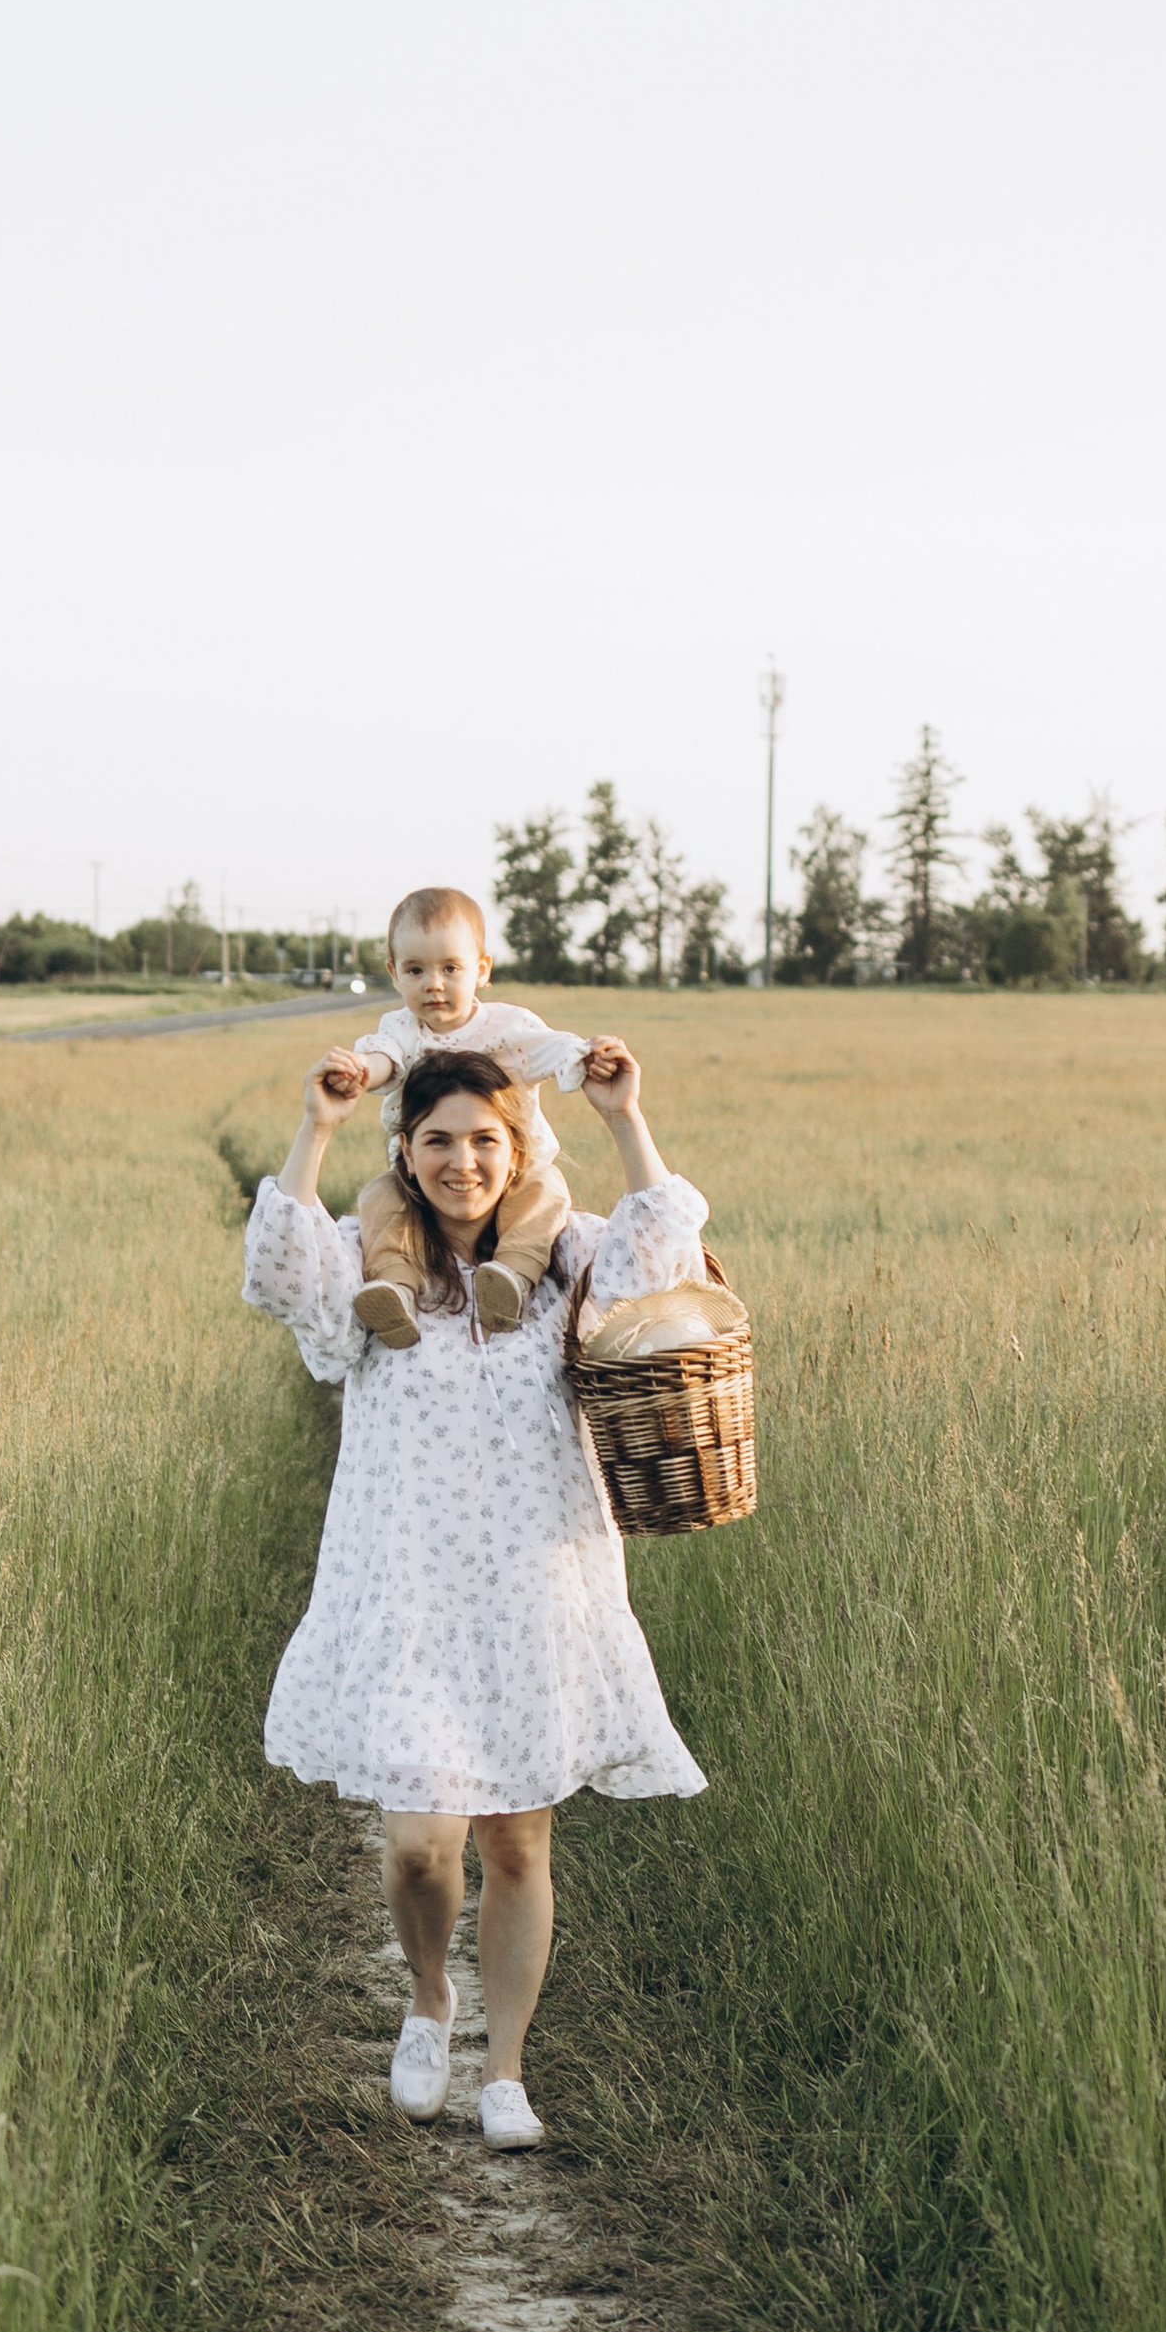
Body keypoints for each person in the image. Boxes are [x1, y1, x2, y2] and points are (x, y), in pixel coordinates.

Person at [241, 1031, 709, 2148]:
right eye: (439, 1142)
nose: (462, 1162)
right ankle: (426, 2001)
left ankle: (504, 2069)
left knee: (517, 1845)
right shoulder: (367, 1266)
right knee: (420, 1843)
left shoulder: (569, 1260)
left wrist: (621, 1117)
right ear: (407, 1154)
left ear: (517, 1149)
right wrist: (316, 1125)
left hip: (531, 1593)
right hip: (404, 1588)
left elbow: (671, 1257)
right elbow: (276, 1274)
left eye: (485, 1141)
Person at [318, 883, 594, 1347]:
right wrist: (360, 1073)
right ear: (394, 974)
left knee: (546, 1192)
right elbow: (386, 1059)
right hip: (420, 1177)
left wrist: (587, 1056)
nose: (434, 984)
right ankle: (396, 1290)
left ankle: (511, 1277)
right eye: (415, 970)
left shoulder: (509, 1026)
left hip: (512, 1169)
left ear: (482, 970)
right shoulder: (402, 1029)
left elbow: (553, 1049)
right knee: (381, 1199)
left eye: (450, 968)